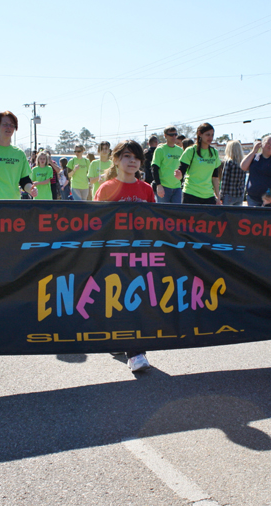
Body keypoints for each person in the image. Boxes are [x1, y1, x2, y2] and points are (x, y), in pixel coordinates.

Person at [94, 140, 156, 372]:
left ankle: (136, 352)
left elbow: (155, 222)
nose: (133, 161)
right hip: (114, 255)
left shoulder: (146, 189)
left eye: (137, 158)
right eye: (128, 156)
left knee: (136, 300)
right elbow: (97, 223)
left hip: (140, 255)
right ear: (116, 159)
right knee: (118, 300)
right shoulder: (106, 188)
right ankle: (123, 343)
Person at [176, 123, 222, 205]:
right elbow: (181, 171)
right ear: (200, 134)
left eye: (212, 135)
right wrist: (179, 175)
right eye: (208, 135)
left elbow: (215, 177)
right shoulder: (190, 151)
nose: (210, 138)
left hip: (209, 196)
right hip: (191, 194)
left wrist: (218, 197)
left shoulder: (214, 152)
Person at [241, 134, 271, 207]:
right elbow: (243, 166)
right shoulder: (255, 157)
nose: (270, 146)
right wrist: (254, 151)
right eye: (267, 143)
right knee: (254, 218)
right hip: (253, 199)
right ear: (261, 144)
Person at [151, 126, 184, 204]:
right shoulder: (160, 149)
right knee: (162, 213)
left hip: (177, 188)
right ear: (165, 135)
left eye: (175, 134)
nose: (174, 137)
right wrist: (158, 185)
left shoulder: (180, 150)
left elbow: (183, 168)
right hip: (163, 187)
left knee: (176, 213)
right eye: (171, 135)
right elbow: (154, 168)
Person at [219, 140, 247, 206]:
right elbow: (243, 180)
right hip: (239, 194)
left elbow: (225, 180)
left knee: (226, 214)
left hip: (229, 194)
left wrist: (221, 195)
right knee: (237, 215)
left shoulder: (229, 162)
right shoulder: (243, 163)